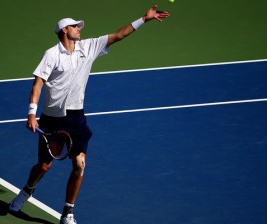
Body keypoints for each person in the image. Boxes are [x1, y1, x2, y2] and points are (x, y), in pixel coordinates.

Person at [9, 5, 170, 224]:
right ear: (64, 30)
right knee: (44, 166)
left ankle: (68, 212)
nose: (79, 29)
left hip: (76, 118)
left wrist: (144, 19)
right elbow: (38, 84)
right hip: (51, 118)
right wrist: (31, 113)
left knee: (79, 164)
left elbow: (119, 35)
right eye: (75, 26)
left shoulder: (89, 46)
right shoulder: (51, 54)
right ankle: (27, 190)